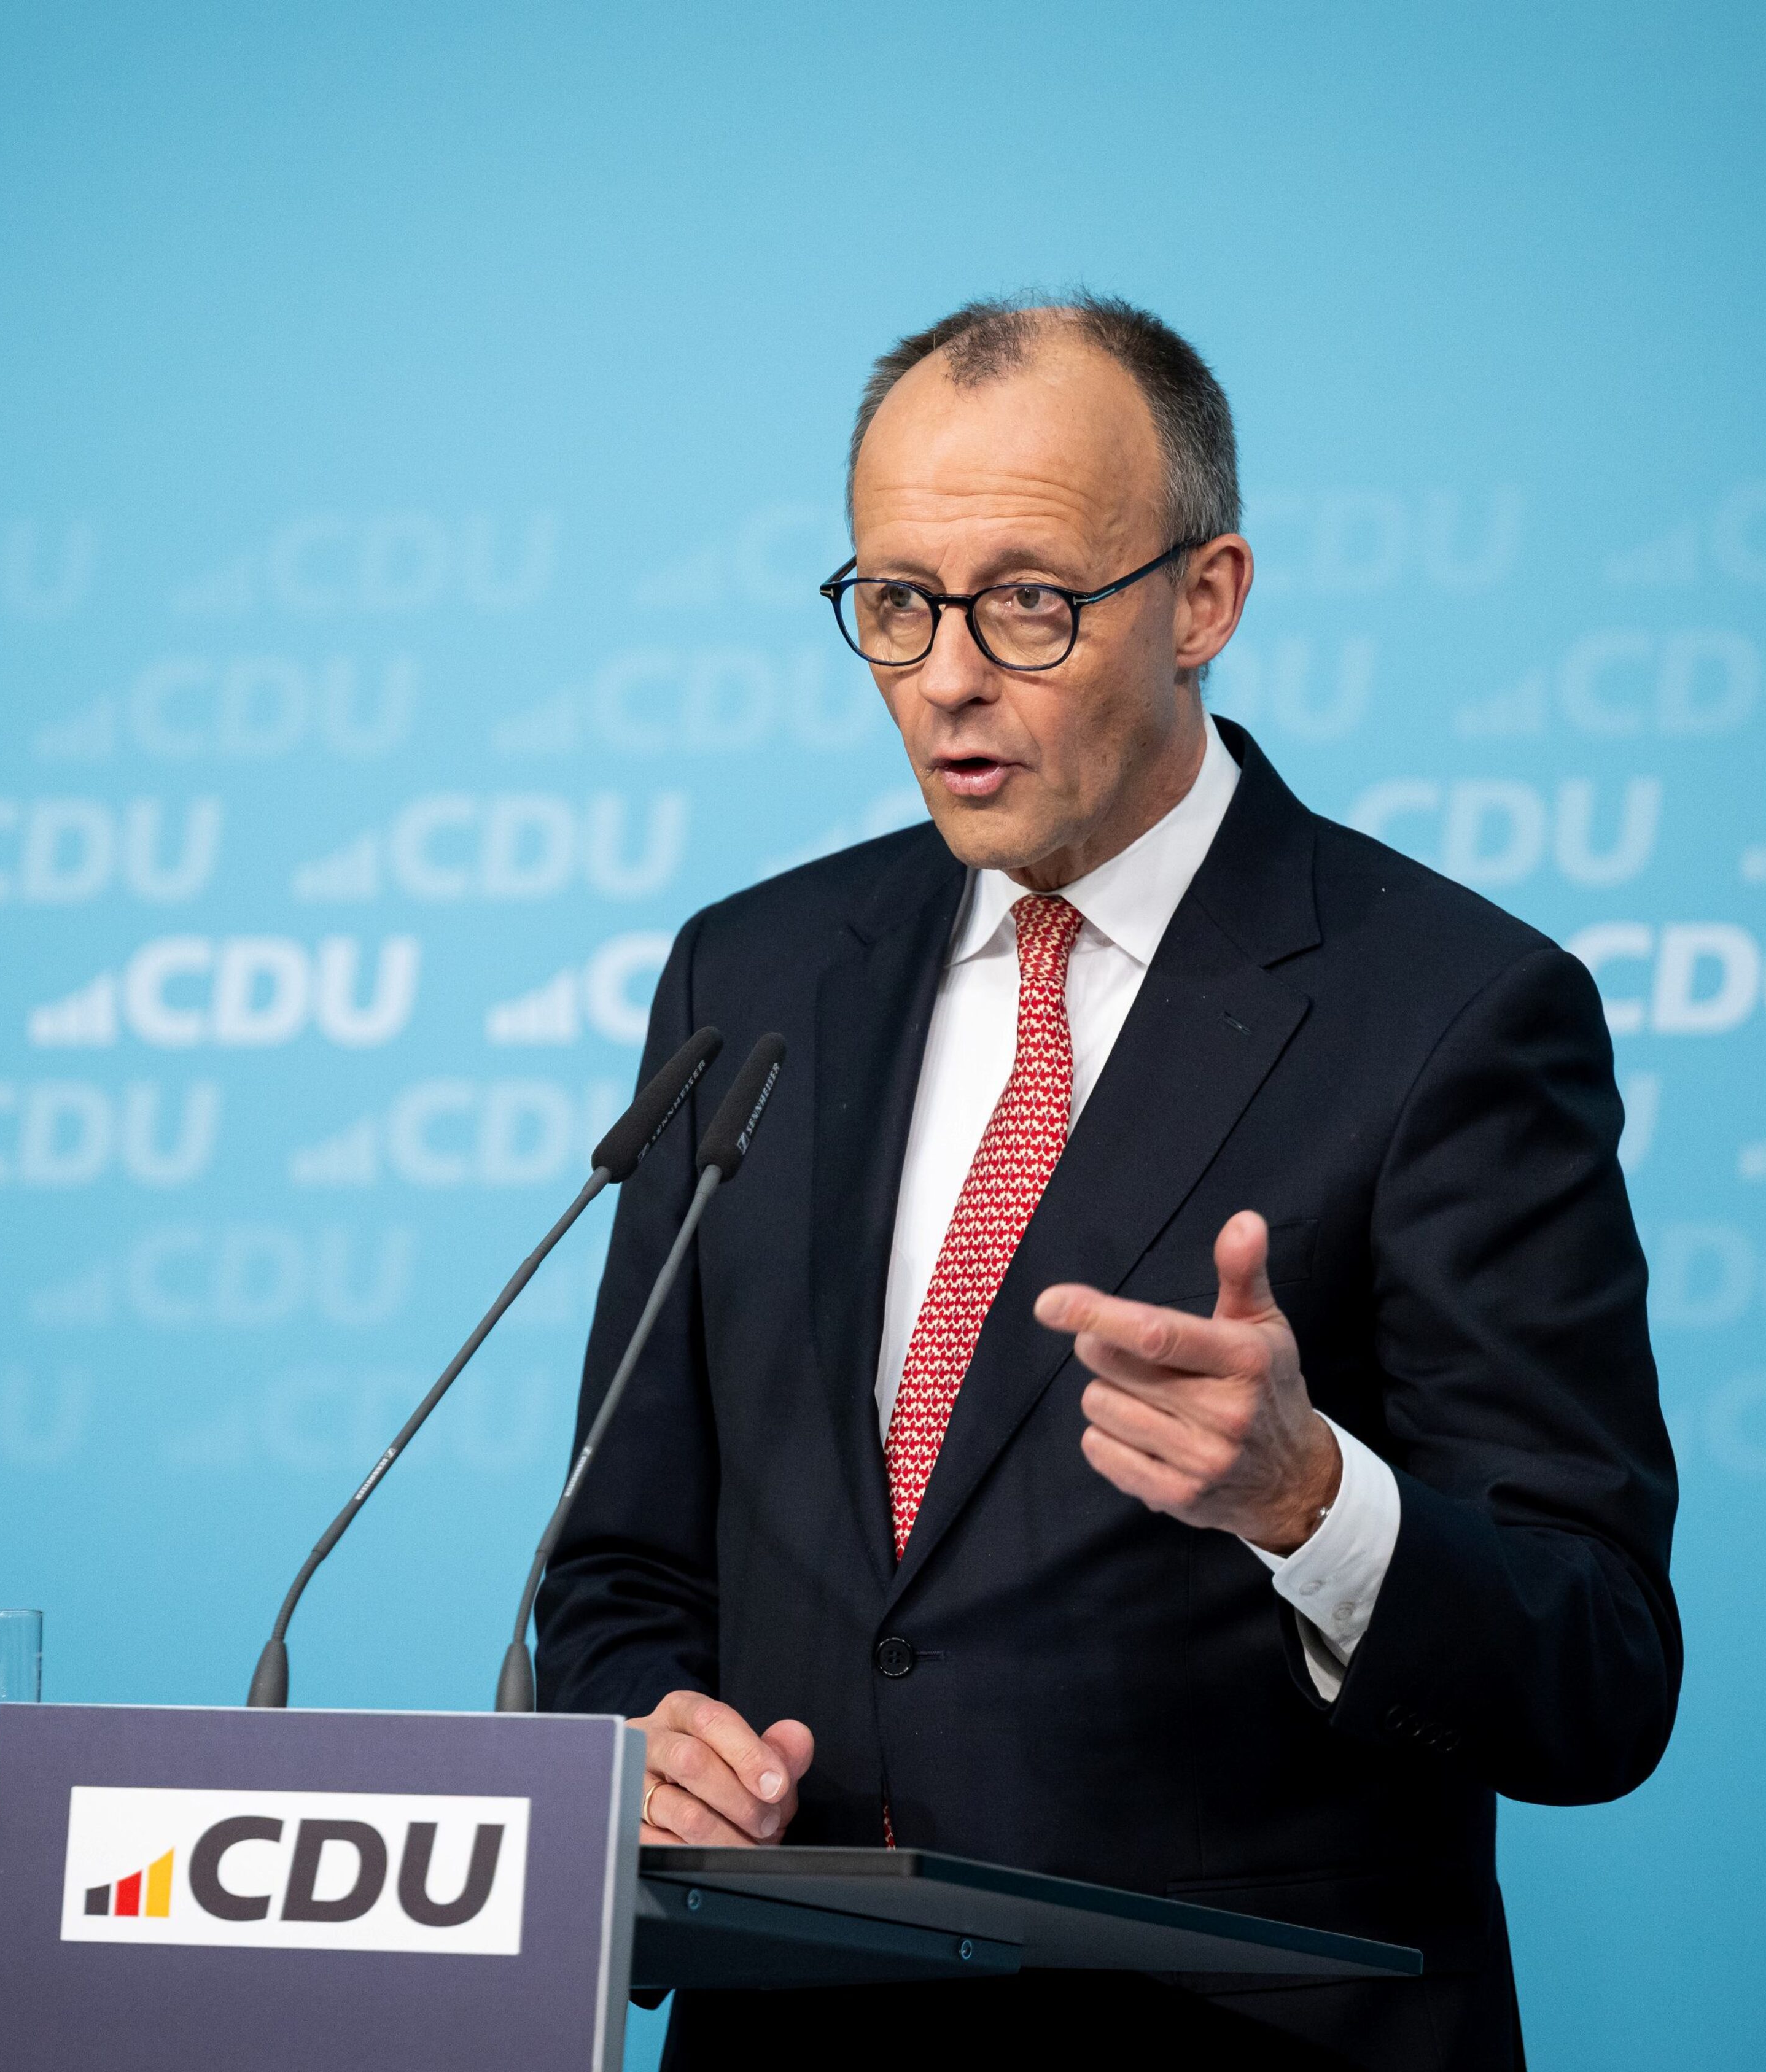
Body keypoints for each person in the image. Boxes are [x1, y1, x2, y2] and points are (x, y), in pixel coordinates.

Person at [535, 293, 1681, 2070]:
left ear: (1205, 600)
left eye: (1027, 603)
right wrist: (651, 1738)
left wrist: (1313, 1503)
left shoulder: (1449, 1013)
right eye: (896, 602)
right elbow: (620, 1562)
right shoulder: (749, 978)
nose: (945, 676)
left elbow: (1596, 1669)